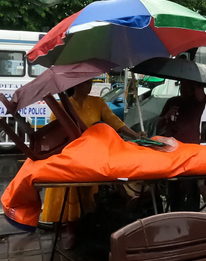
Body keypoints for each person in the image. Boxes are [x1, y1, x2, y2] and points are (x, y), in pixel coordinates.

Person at [40, 79, 146, 246]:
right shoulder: (63, 106)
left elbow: (115, 122)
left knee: (93, 194)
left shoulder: (98, 102)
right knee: (72, 193)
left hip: (93, 157)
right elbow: (55, 132)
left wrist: (135, 135)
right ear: (75, 84)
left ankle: (89, 228)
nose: (88, 86)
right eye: (84, 83)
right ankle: (71, 231)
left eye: (90, 83)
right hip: (71, 157)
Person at [157, 79, 206, 210]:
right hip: (172, 149)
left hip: (191, 149)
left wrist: (194, 78)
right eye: (182, 86)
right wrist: (167, 116)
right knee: (174, 183)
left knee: (191, 184)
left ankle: (192, 213)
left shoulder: (197, 102)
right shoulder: (172, 101)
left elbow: (201, 94)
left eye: (187, 87)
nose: (184, 89)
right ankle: (175, 210)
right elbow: (159, 124)